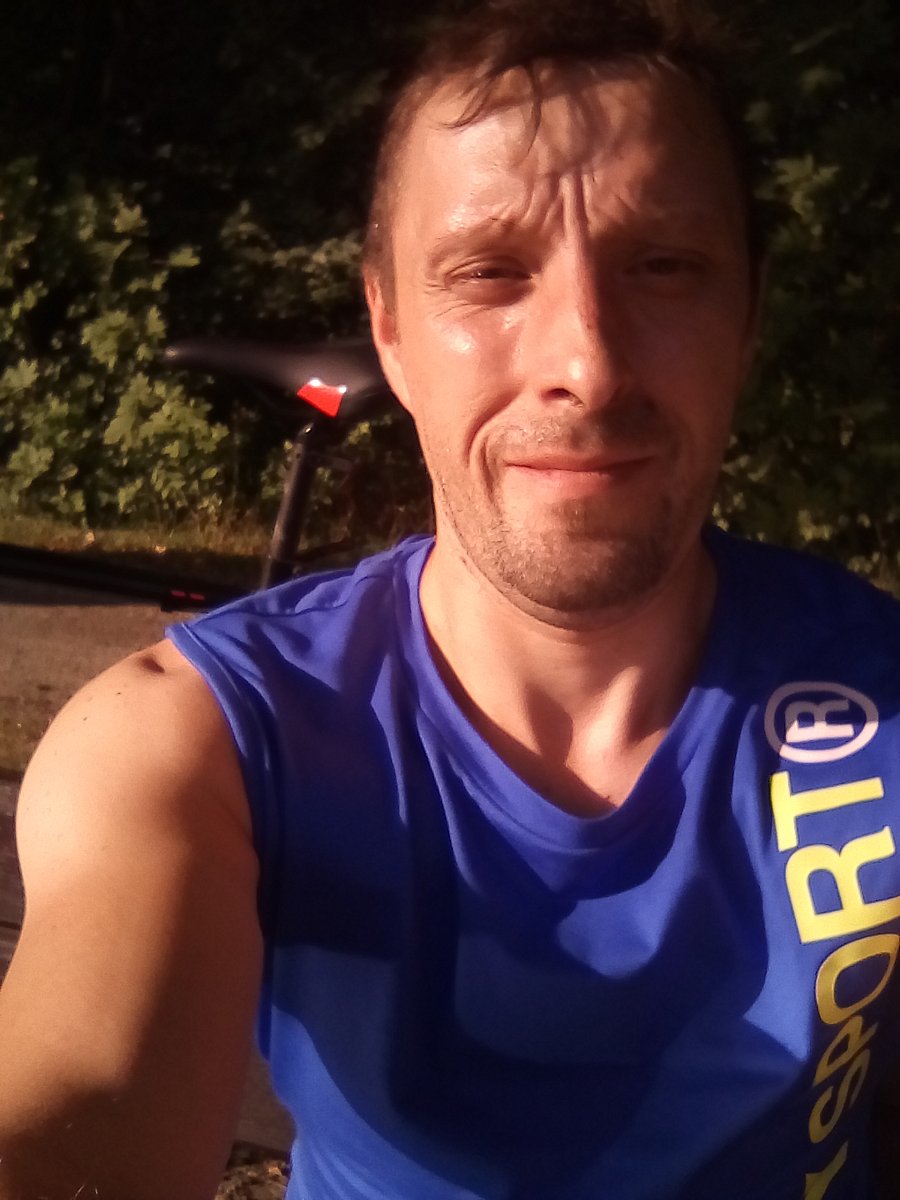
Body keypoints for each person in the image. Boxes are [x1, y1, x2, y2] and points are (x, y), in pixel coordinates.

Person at [2, 0, 900, 1197]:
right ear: (390, 327)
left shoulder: (881, 699)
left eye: (665, 267)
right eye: (488, 273)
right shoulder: (200, 742)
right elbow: (81, 1102)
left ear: (747, 315)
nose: (586, 363)